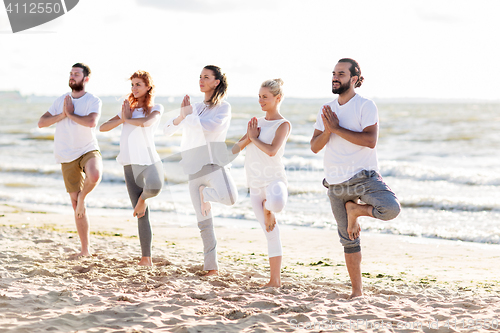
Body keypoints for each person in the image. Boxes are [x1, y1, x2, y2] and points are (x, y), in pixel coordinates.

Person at [310, 58, 401, 298]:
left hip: (363, 177)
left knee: (391, 208)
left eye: (340, 73)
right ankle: (357, 292)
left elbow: (370, 141)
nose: (335, 77)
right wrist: (329, 130)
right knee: (348, 241)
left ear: (353, 79)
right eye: (333, 72)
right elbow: (315, 146)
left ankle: (357, 210)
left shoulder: (365, 105)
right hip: (336, 184)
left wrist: (337, 129)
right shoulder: (327, 109)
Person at [164, 65, 238, 276]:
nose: (201, 80)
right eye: (200, 76)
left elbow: (210, 127)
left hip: (214, 165)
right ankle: (211, 268)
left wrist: (188, 117)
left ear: (216, 82)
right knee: (204, 222)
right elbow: (168, 130)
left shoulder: (224, 108)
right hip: (193, 167)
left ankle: (206, 194)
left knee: (231, 198)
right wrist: (181, 116)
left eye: (206, 77)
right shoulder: (194, 107)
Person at [38, 63, 102, 257]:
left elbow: (91, 122)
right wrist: (62, 114)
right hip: (66, 155)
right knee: (75, 206)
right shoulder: (61, 101)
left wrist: (71, 114)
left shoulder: (93, 100)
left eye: (77, 74)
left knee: (95, 174)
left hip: (87, 149)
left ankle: (83, 197)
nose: (72, 76)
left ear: (86, 79)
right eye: (71, 73)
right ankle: (85, 250)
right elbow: (42, 123)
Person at [99, 70, 164, 266]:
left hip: (149, 160)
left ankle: (142, 200)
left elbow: (147, 123)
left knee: (155, 187)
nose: (134, 88)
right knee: (141, 214)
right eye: (132, 85)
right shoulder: (127, 111)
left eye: (138, 85)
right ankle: (146, 258)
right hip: (129, 163)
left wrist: (126, 119)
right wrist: (122, 117)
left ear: (148, 88)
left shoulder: (155, 108)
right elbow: (103, 128)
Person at [232, 78, 291, 287]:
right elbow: (238, 147)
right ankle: (274, 281)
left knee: (277, 205)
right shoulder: (256, 122)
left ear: (278, 98)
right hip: (255, 185)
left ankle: (269, 208)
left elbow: (272, 150)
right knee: (271, 233)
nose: (261, 101)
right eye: (259, 96)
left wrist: (253, 138)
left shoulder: (283, 124)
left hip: (274, 180)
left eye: (265, 97)